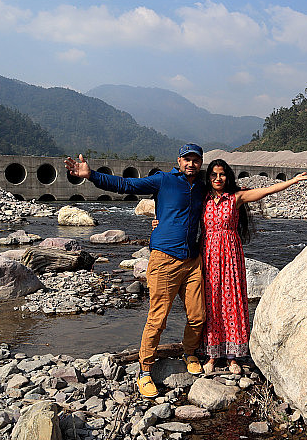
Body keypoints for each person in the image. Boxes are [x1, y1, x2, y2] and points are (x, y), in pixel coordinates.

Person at [64, 144, 207, 398]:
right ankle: (145, 371)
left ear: (201, 162)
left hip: (192, 259)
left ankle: (189, 352)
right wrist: (91, 175)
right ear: (179, 161)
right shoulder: (164, 180)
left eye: (196, 160)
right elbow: (126, 185)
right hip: (165, 258)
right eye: (187, 159)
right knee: (158, 317)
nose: (191, 164)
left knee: (197, 314)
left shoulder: (202, 187)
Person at [200, 159, 307, 374]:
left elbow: (267, 191)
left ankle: (233, 357)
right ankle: (213, 354)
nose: (218, 179)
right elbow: (177, 207)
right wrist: (157, 220)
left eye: (222, 174)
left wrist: (293, 181)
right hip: (208, 257)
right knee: (212, 302)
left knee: (231, 301)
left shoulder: (237, 197)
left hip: (231, 257)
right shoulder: (202, 199)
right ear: (208, 177)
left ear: (228, 177)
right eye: (214, 175)